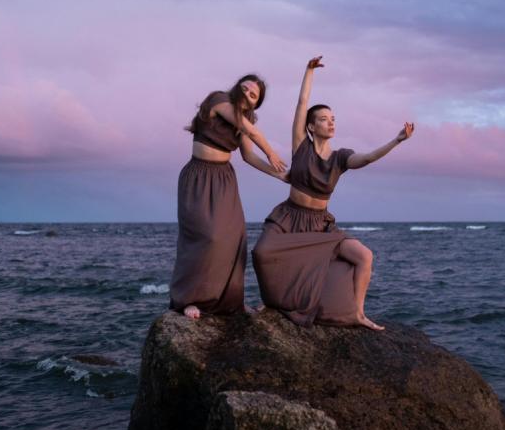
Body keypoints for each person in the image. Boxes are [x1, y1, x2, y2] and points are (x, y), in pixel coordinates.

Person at [252, 57, 414, 330]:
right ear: (311, 126)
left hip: (320, 224)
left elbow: (368, 157)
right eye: (324, 119)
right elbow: (301, 104)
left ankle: (358, 314)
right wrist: (309, 71)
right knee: (261, 253)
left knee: (364, 256)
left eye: (333, 119)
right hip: (289, 218)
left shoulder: (340, 158)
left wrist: (396, 140)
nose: (330, 123)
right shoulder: (300, 146)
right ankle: (274, 302)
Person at [170, 74, 287, 319]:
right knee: (206, 236)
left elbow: (248, 156)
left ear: (256, 103)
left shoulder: (247, 118)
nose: (247, 94)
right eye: (245, 88)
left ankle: (229, 303)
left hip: (224, 178)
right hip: (199, 176)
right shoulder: (219, 99)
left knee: (235, 239)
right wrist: (272, 153)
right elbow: (250, 131)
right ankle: (188, 300)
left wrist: (279, 176)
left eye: (253, 94)